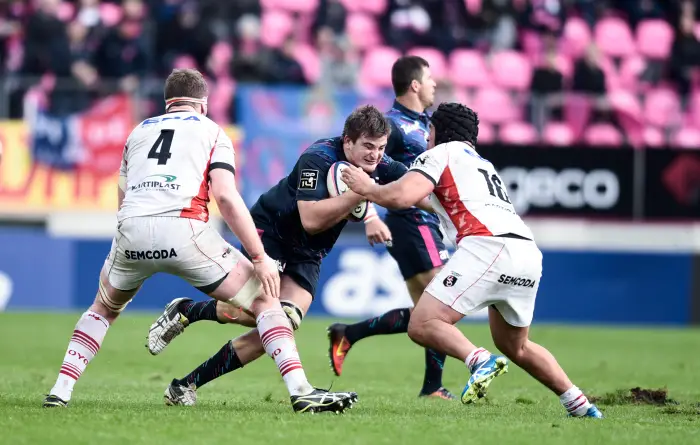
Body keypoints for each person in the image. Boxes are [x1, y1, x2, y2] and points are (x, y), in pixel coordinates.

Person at [43, 68, 357, 414]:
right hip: (184, 230)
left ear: (168, 102)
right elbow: (225, 197)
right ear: (203, 104)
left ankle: (60, 390)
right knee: (267, 302)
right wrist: (259, 256)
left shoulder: (138, 131)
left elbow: (123, 196)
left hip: (131, 229)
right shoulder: (212, 131)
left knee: (102, 309)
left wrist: (133, 240)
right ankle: (301, 391)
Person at [339, 102, 603, 418]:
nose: (426, 138)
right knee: (516, 346)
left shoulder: (441, 153)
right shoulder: (481, 164)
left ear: (438, 131)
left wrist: (367, 188)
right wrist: (391, 177)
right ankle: (580, 405)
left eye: (429, 131)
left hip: (488, 248)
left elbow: (400, 198)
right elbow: (433, 202)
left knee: (423, 324)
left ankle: (479, 360)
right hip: (527, 254)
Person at [146, 105, 410, 406]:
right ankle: (189, 317)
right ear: (348, 141)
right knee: (263, 313)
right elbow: (311, 219)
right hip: (271, 233)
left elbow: (413, 185)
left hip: (308, 252)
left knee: (281, 323)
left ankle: (185, 377)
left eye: (381, 148)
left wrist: (437, 199)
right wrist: (362, 192)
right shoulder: (318, 158)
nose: (376, 155)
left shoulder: (377, 163)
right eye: (368, 146)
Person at [327, 56, 455, 400]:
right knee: (441, 305)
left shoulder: (425, 123)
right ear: (414, 84)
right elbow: (362, 169)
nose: (434, 84)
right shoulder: (394, 126)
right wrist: (369, 215)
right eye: (429, 78)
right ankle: (435, 385)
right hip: (411, 221)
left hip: (423, 221)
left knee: (428, 311)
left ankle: (349, 334)